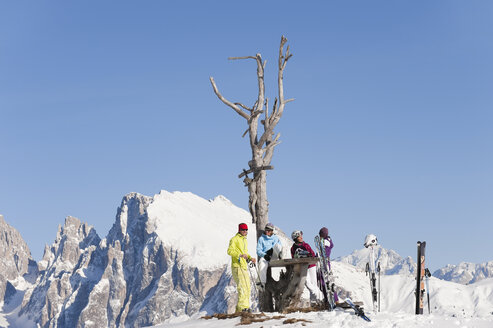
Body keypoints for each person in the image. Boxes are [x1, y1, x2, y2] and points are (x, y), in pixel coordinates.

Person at [227, 222, 256, 312]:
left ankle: (245, 308)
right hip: (237, 266)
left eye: (246, 230)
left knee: (247, 287)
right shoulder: (234, 239)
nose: (245, 231)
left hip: (243, 266)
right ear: (239, 230)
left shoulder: (244, 240)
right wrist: (239, 255)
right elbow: (230, 251)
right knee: (242, 287)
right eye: (243, 230)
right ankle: (242, 308)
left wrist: (250, 258)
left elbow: (245, 253)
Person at [290, 230, 324, 303]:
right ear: (296, 238)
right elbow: (293, 258)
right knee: (307, 282)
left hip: (311, 265)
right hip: (302, 267)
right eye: (299, 236)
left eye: (301, 236)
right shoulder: (293, 248)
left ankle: (314, 302)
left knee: (313, 283)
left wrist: (307, 255)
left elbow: (312, 254)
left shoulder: (306, 245)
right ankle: (319, 296)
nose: (301, 237)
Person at [318, 227, 339, 303]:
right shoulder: (328, 241)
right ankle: (334, 299)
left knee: (324, 281)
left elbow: (324, 253)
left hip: (324, 263)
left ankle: (330, 299)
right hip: (326, 262)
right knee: (328, 281)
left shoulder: (326, 242)